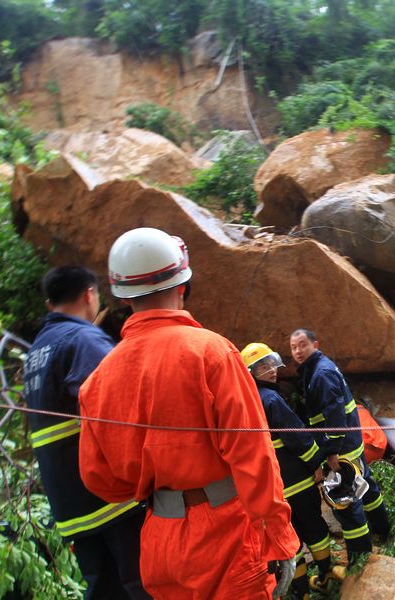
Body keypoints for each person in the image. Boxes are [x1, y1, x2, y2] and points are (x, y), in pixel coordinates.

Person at [77, 228, 300, 599]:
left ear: (123, 297)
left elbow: (100, 480)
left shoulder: (98, 380)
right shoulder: (211, 353)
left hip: (159, 541)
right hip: (224, 537)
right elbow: (253, 455)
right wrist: (278, 537)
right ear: (183, 284)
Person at [23, 266, 148, 600]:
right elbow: (116, 405)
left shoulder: (37, 351)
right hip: (108, 495)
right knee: (144, 584)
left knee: (104, 589)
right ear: (89, 295)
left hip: (70, 501)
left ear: (50, 304)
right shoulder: (82, 340)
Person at [241, 343, 347, 596]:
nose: (272, 370)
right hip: (298, 479)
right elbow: (298, 437)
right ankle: (325, 575)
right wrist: (315, 464)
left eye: (271, 364)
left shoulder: (247, 401)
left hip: (274, 486)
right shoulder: (271, 399)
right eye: (263, 367)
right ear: (251, 371)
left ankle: (300, 590)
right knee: (315, 528)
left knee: (290, 537)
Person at [289, 328, 391, 563]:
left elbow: (334, 413)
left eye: (302, 345)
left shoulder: (321, 374)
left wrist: (332, 450)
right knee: (366, 486)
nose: (298, 351)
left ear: (315, 344)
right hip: (351, 444)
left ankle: (360, 558)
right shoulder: (320, 368)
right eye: (294, 347)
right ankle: (383, 528)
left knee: (346, 503)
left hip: (342, 450)